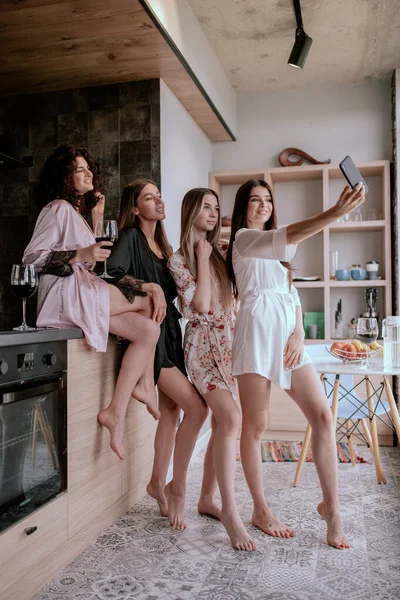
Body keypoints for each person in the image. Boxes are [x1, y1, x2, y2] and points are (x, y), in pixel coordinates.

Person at [225, 179, 365, 550]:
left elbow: (292, 295)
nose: (263, 205)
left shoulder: (282, 249)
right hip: (255, 332)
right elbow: (296, 231)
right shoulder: (243, 239)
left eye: (268, 200)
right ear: (243, 208)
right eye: (255, 200)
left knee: (322, 416)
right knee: (255, 426)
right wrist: (336, 212)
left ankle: (331, 508)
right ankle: (260, 509)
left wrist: (298, 334)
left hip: (288, 336)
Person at [23, 146, 163, 462]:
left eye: (89, 168)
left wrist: (96, 218)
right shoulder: (57, 208)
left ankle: (115, 411)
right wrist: (81, 255)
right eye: (78, 169)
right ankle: (146, 385)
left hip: (83, 287)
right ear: (64, 177)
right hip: (64, 293)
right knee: (146, 300)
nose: (88, 173)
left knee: (147, 330)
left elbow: (94, 260)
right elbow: (32, 260)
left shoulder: (76, 215)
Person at [106, 180, 216, 530]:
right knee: (197, 408)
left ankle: (156, 482)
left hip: (170, 334)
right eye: (149, 198)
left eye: (158, 195)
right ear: (136, 208)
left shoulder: (164, 247)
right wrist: (147, 286)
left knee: (171, 411)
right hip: (150, 337)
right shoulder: (130, 237)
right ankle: (172, 485)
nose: (158, 200)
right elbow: (113, 273)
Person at [168, 188, 257, 551]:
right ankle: (231, 514)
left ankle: (208, 498)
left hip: (230, 345)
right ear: (191, 211)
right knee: (232, 419)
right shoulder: (178, 260)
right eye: (206, 207)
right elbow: (201, 304)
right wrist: (202, 258)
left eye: (216, 208)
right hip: (202, 349)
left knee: (224, 423)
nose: (212, 213)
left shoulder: (222, 253)